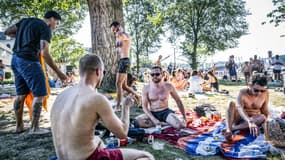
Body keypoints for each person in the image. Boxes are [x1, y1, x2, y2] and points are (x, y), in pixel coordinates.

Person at [51, 54, 154, 160]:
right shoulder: (96, 98)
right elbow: (122, 133)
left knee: (98, 141)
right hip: (88, 157)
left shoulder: (62, 96)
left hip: (63, 157)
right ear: (98, 71)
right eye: (103, 72)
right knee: (147, 156)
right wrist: (126, 107)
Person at [4, 11, 67, 134]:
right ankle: (34, 128)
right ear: (52, 19)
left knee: (21, 94)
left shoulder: (25, 21)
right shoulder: (45, 28)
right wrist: (59, 73)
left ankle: (19, 126)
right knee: (40, 94)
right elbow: (45, 53)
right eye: (57, 23)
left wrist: (23, 37)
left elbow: (7, 32)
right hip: (29, 61)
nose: (56, 27)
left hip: (15, 60)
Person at [224, 76, 269, 141]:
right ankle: (228, 129)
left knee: (262, 117)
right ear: (250, 85)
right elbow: (239, 108)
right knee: (230, 103)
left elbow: (264, 109)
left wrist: (265, 122)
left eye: (262, 91)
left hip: (254, 120)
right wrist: (249, 121)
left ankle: (233, 128)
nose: (259, 93)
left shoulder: (266, 93)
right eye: (256, 90)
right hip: (239, 118)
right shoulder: (243, 92)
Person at [110, 21, 141, 111]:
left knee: (118, 84)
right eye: (112, 30)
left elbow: (126, 38)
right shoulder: (118, 36)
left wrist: (120, 31)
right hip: (122, 61)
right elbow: (118, 51)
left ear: (117, 27)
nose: (112, 31)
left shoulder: (123, 35)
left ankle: (118, 106)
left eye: (113, 29)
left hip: (125, 61)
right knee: (124, 86)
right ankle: (138, 96)